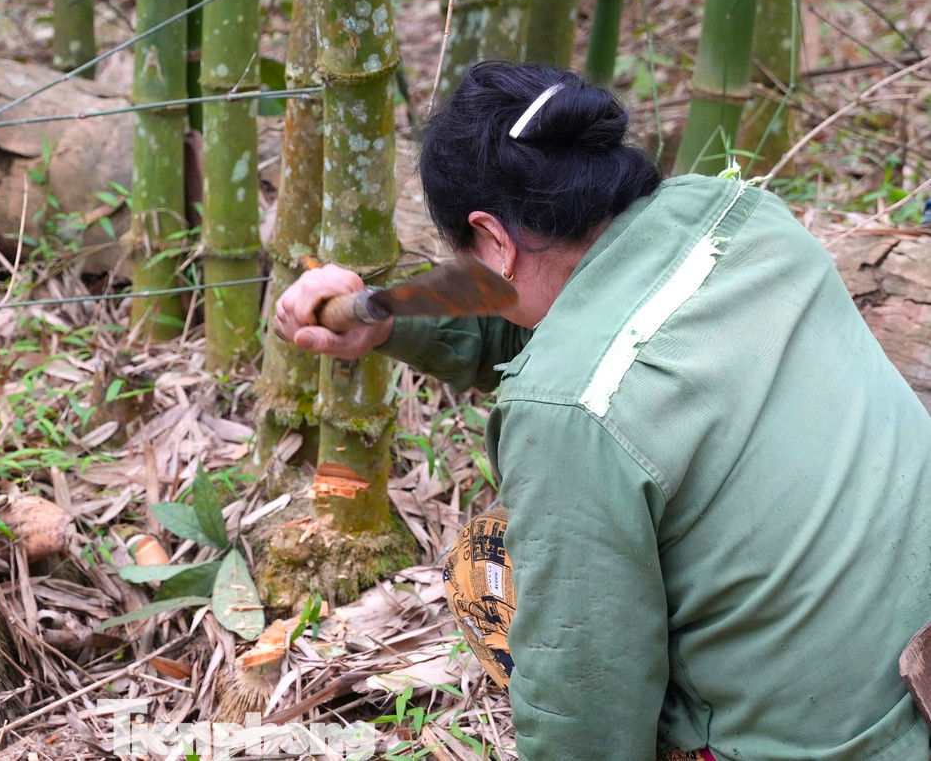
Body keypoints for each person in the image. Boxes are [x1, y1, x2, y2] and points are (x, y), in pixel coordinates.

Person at [272, 61, 931, 761]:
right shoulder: (742, 216)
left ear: (491, 238)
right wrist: (392, 319)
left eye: (466, 252)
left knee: (483, 567)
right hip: (916, 678)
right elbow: (559, 312)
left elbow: (584, 705)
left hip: (819, 749)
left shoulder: (569, 415)